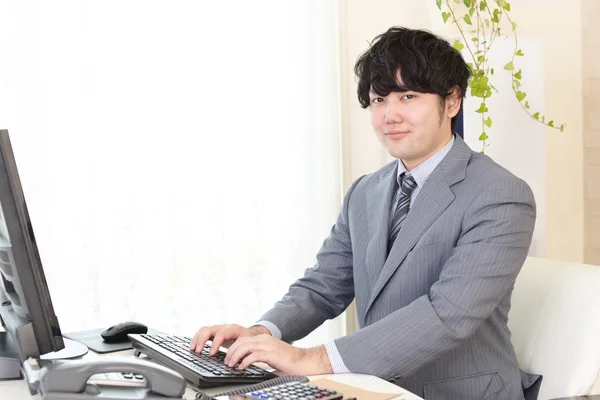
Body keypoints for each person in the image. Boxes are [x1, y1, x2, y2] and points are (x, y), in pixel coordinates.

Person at [190, 26, 539, 400]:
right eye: (378, 100)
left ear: (452, 101)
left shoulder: (500, 194)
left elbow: (448, 314)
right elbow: (323, 286)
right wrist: (261, 333)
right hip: (375, 389)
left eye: (408, 96)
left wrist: (312, 358)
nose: (390, 115)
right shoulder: (365, 191)